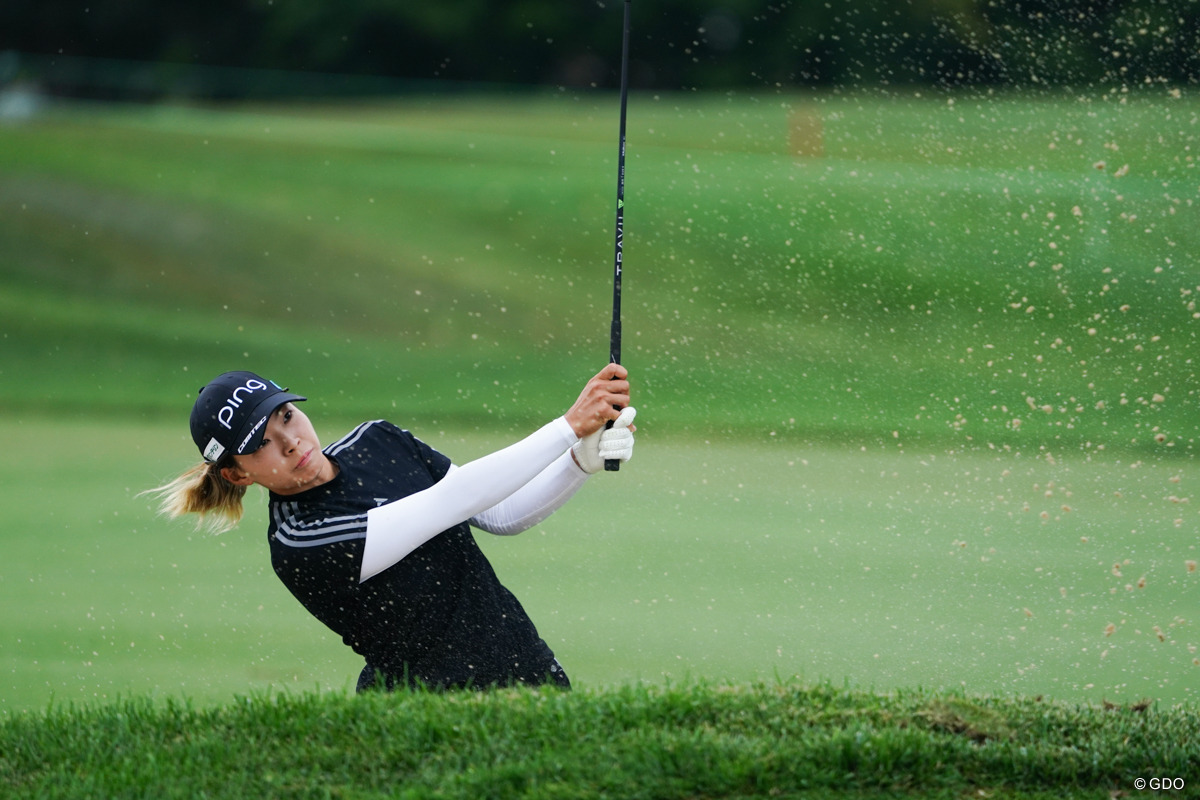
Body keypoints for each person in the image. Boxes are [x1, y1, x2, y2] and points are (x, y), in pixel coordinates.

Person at [148, 364, 635, 692]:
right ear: (237, 474)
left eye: (287, 417)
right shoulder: (301, 541)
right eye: (263, 445)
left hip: (525, 665)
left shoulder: (377, 440)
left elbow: (497, 514)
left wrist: (577, 461)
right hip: (426, 710)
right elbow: (454, 499)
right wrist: (568, 425)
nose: (291, 442)